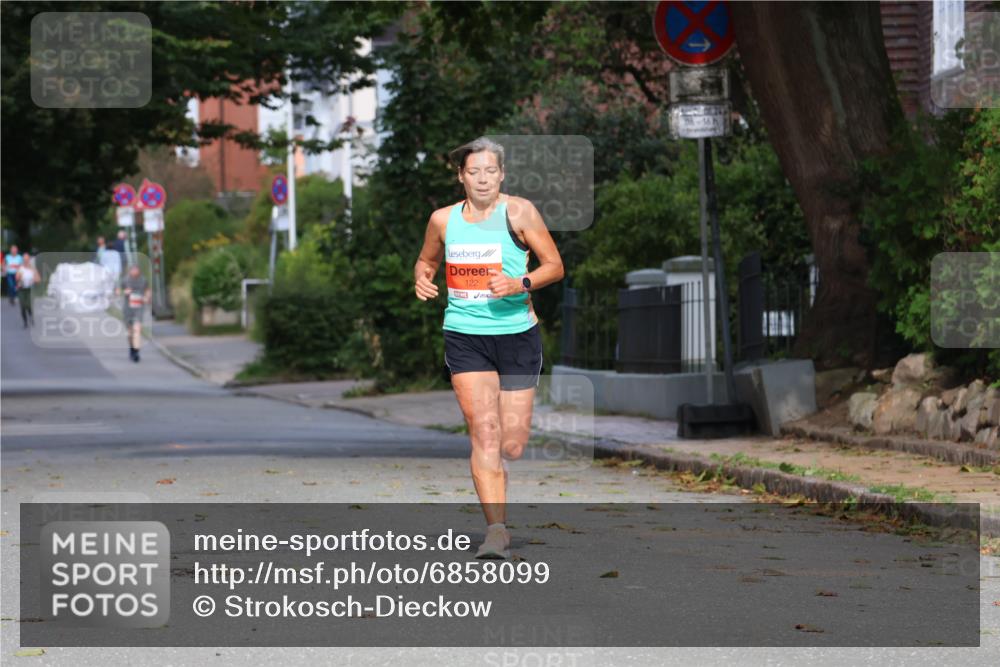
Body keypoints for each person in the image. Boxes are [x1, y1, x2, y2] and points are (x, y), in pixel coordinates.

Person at [414, 137, 564, 559]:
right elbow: (427, 260)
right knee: (485, 431)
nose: (482, 179)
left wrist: (521, 283)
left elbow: (554, 264)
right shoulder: (443, 220)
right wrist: (422, 277)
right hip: (465, 335)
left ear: (502, 174)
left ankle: (501, 481)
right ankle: (496, 530)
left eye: (490, 171)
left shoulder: (519, 212)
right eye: (473, 171)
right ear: (461, 176)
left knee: (513, 442)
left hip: (517, 334)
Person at [118, 263, 151, 362]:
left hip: (139, 308)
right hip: (128, 308)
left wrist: (147, 297)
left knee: (137, 329)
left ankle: (136, 352)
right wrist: (124, 292)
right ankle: (132, 349)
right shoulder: (125, 280)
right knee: (130, 332)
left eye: (137, 270)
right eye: (133, 270)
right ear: (130, 271)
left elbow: (147, 290)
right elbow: (117, 291)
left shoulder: (143, 280)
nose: (135, 272)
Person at [15, 252, 38, 328]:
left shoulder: (32, 268)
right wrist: (19, 277)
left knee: (29, 306)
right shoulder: (20, 268)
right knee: (22, 307)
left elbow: (38, 279)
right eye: (24, 259)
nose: (26, 261)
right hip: (22, 289)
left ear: (29, 260)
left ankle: (31, 317)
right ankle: (25, 322)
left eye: (27, 259)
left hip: (30, 290)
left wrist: (34, 280)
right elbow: (17, 278)